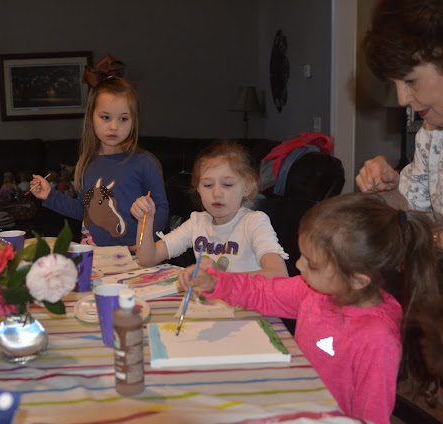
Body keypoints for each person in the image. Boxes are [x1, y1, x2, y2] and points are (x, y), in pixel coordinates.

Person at [178, 192, 442, 423]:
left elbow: (371, 417)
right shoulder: (313, 291)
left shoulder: (377, 339)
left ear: (357, 280)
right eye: (302, 255)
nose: (299, 265)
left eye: (312, 264)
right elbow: (261, 291)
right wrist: (215, 281)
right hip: (299, 404)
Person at [30, 55, 168, 248]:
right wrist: (49, 195)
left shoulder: (145, 162)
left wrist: (146, 244)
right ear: (91, 118)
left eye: (123, 119)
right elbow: (85, 210)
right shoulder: (86, 164)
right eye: (105, 117)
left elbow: (161, 208)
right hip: (95, 256)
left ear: (134, 121)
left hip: (136, 256)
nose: (113, 126)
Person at [131, 140, 288, 277]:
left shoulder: (254, 222)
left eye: (227, 184)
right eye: (207, 185)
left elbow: (278, 273)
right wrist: (146, 220)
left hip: (247, 302)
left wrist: (219, 278)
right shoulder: (197, 223)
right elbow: (148, 259)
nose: (216, 193)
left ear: (247, 187)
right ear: (198, 189)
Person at [356, 0, 443, 220]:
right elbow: (417, 216)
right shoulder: (431, 134)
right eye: (394, 84)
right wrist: (389, 192)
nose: (402, 100)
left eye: (411, 81)